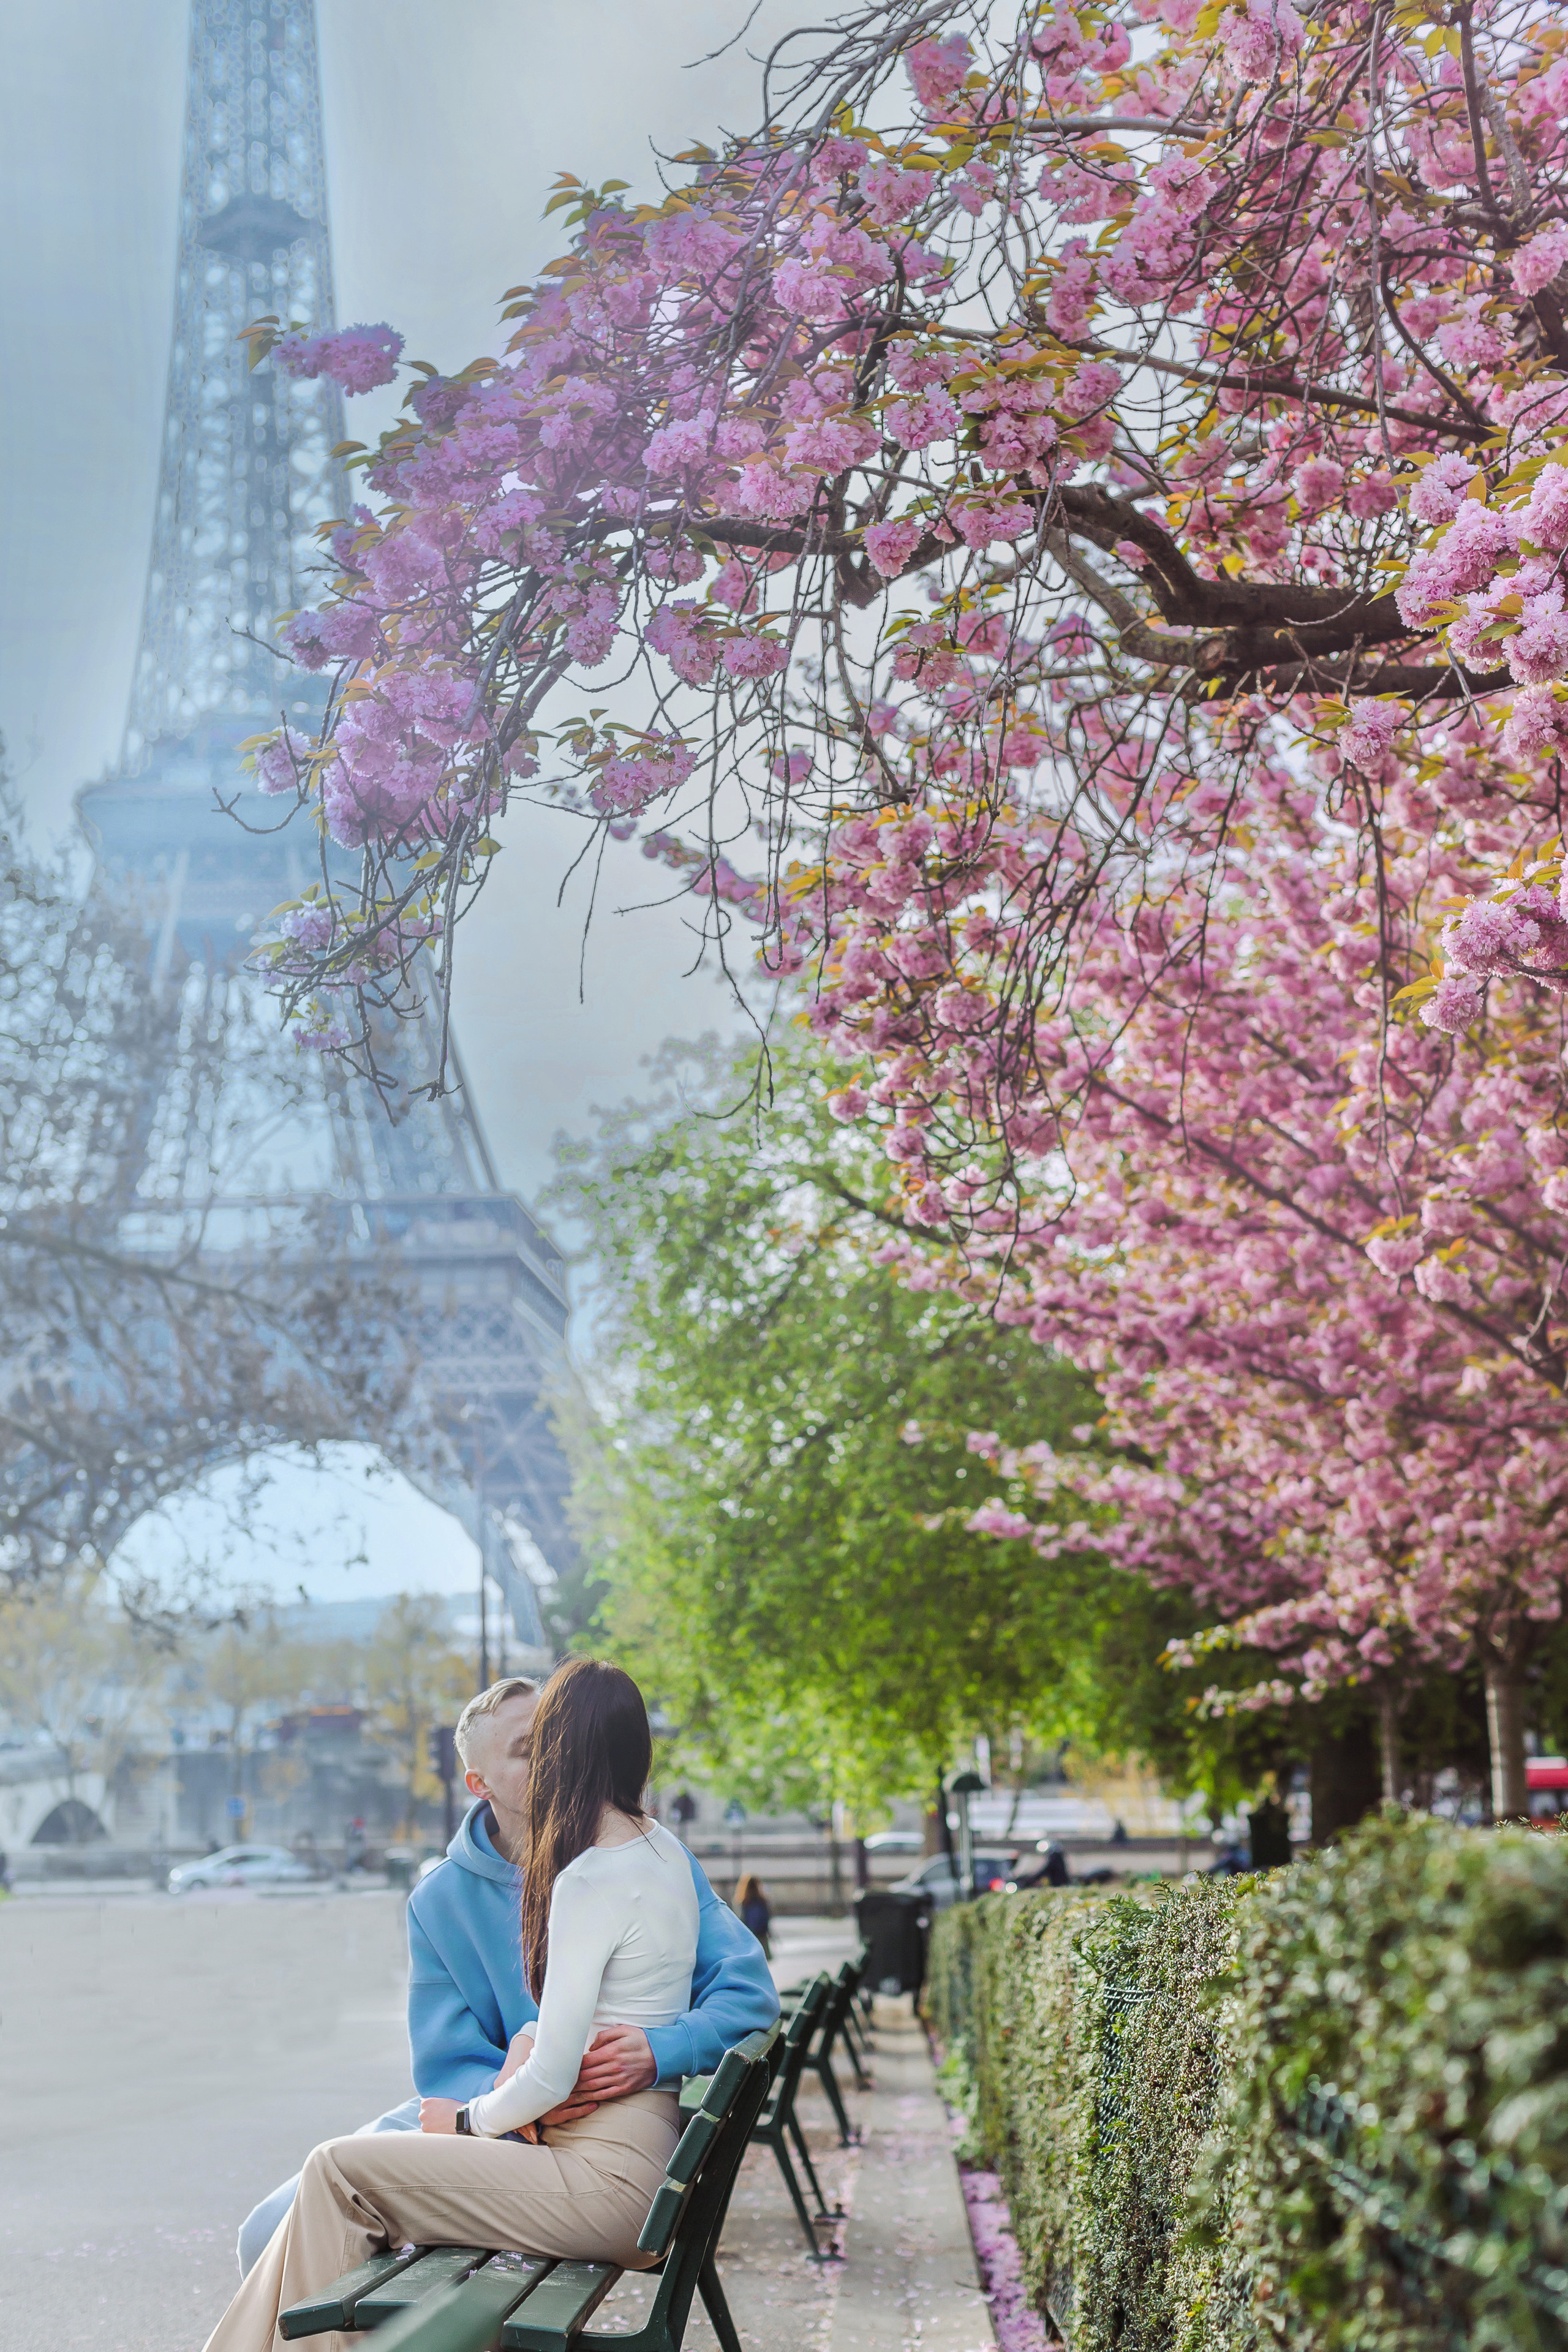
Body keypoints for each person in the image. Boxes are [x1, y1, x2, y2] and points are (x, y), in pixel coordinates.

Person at [207, 1660, 742, 2352]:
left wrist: (653, 2052)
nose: (550, 1760)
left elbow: (740, 1993)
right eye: (529, 1749)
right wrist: (508, 2086)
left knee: (335, 2184)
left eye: (553, 1739)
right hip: (515, 2123)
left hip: (571, 2141)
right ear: (479, 1784)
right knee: (270, 2227)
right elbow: (451, 2063)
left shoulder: (599, 1869)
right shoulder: (463, 1894)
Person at [734, 1872, 771, 1955]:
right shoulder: (762, 1901)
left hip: (748, 1935)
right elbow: (766, 1918)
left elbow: (740, 1920)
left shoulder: (742, 1902)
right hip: (761, 1935)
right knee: (762, 1959)